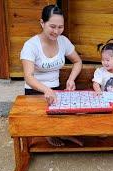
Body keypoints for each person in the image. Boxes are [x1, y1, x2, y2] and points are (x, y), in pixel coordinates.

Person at [20, 4, 83, 147]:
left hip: (56, 90)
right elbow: (29, 77)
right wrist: (46, 90)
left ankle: (62, 133)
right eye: (52, 26)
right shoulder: (30, 45)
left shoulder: (63, 41)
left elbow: (77, 61)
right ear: (42, 23)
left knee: (75, 116)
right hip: (35, 91)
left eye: (60, 27)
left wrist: (71, 79)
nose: (56, 31)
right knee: (48, 122)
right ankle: (50, 133)